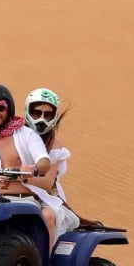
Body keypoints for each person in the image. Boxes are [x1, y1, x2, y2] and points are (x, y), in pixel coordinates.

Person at [21, 87, 80, 244]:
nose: (41, 119)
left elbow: (47, 182)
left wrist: (22, 178)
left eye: (47, 114)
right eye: (36, 112)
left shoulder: (54, 143)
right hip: (16, 193)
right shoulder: (17, 135)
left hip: (46, 197)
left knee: (47, 217)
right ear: (27, 111)